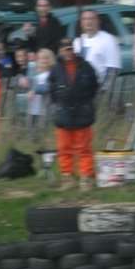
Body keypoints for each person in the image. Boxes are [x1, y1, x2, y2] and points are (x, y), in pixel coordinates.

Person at [49, 39, 100, 191]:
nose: (68, 52)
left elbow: (94, 88)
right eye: (65, 49)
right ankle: (67, 177)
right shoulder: (55, 69)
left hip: (82, 113)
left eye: (70, 49)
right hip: (63, 114)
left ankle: (86, 178)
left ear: (74, 50)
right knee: (64, 148)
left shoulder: (86, 67)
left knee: (84, 148)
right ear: (60, 51)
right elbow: (52, 92)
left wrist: (84, 103)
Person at [72, 7, 122, 83]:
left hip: (99, 86)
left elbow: (113, 69)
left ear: (98, 21)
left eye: (92, 18)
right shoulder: (77, 42)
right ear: (81, 23)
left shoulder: (108, 40)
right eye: (84, 19)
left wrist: (104, 89)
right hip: (81, 88)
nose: (88, 22)